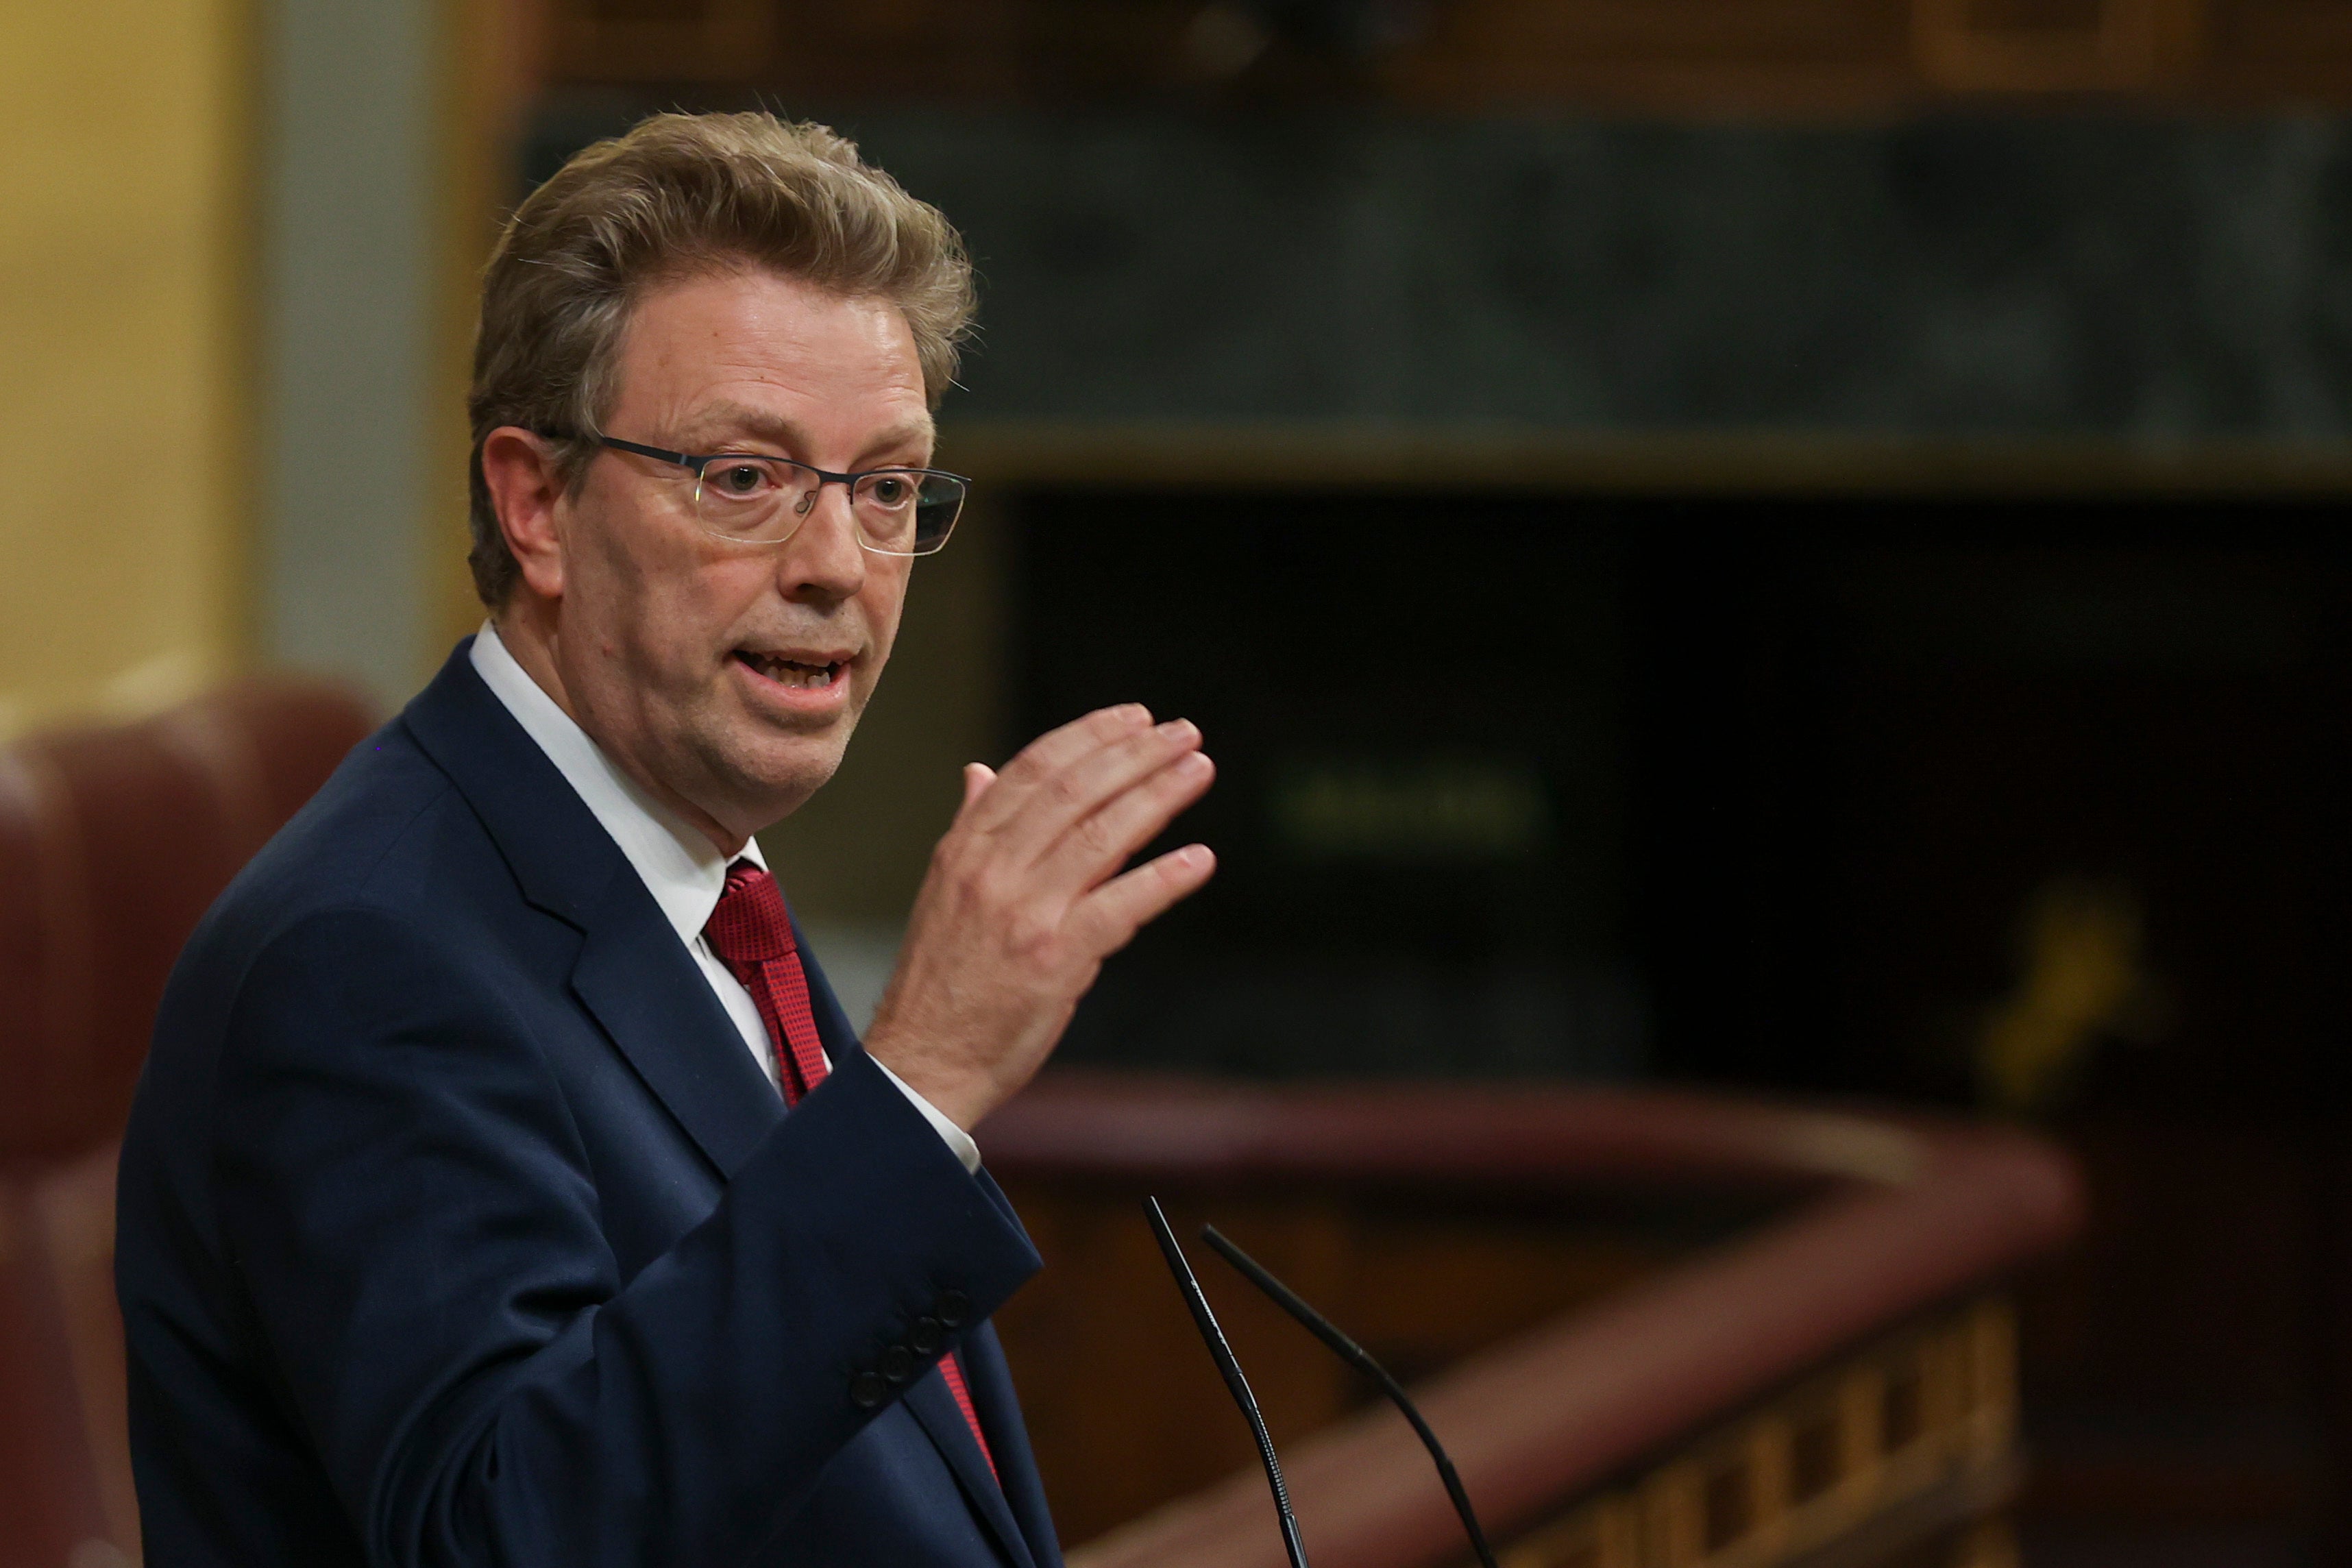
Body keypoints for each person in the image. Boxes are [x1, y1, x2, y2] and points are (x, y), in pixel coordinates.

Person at [114, 112, 1216, 1567]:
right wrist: (929, 1076)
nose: (836, 566)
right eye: (743, 477)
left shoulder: (699, 873)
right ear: (538, 504)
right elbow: (505, 1534)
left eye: (885, 487)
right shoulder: (371, 957)